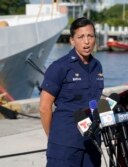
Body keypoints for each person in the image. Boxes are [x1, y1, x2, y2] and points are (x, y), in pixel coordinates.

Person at [39, 17, 104, 167]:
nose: (86, 41)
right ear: (72, 41)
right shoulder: (59, 67)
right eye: (81, 37)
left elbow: (94, 101)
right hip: (65, 145)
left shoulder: (97, 66)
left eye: (90, 36)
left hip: (91, 143)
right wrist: (55, 137)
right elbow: (44, 107)